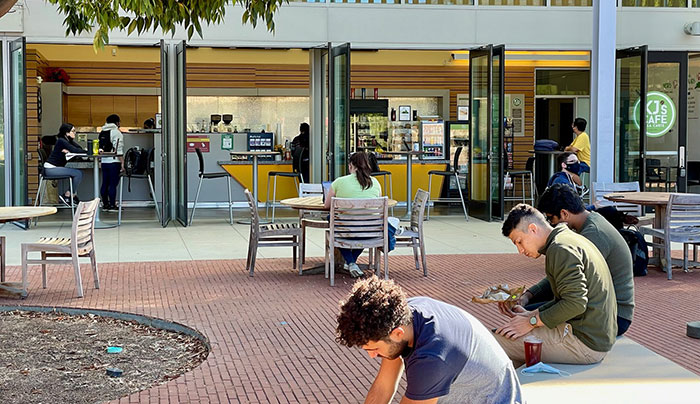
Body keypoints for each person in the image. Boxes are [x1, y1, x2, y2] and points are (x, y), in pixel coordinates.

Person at [336, 276, 523, 404]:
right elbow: (384, 387)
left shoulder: (432, 357)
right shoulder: (402, 315)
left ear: (397, 333)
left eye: (373, 349)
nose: (372, 355)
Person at [495, 203, 618, 365]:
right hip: (594, 336)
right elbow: (566, 300)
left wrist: (530, 322)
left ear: (533, 229)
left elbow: (575, 303)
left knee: (491, 343)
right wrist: (531, 315)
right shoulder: (567, 238)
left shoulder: (560, 248)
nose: (520, 250)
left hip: (584, 344)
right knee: (509, 338)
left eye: (519, 241)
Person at [536, 184, 635, 336]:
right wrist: (530, 294)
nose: (551, 225)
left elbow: (568, 280)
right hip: (603, 307)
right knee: (530, 310)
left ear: (564, 214)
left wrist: (532, 311)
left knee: (530, 315)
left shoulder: (593, 234)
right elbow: (564, 277)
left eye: (551, 219)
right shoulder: (590, 222)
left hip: (614, 316)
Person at [324, 152, 393, 278]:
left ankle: (350, 261)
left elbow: (327, 206)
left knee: (332, 221)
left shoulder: (339, 182)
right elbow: (377, 206)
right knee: (364, 229)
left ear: (351, 165)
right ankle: (351, 262)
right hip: (369, 232)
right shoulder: (375, 183)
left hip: (345, 230)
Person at [44, 123, 87, 207]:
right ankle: (67, 196)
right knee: (78, 173)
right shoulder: (61, 141)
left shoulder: (68, 141)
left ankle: (72, 196)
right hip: (50, 169)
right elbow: (76, 150)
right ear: (67, 133)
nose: (75, 133)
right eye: (73, 131)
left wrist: (78, 150)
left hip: (55, 168)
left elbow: (78, 149)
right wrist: (87, 151)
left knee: (78, 173)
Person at [99, 114, 124, 211]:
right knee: (113, 184)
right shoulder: (116, 132)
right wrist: (122, 163)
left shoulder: (102, 132)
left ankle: (105, 204)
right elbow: (119, 150)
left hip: (104, 162)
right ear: (117, 122)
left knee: (105, 183)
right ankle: (113, 205)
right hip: (114, 161)